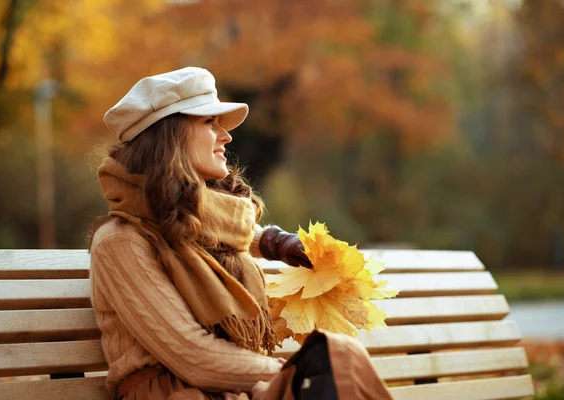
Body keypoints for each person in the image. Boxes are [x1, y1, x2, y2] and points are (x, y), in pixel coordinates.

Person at [88, 67, 394, 400]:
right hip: (176, 394)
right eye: (209, 123)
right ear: (169, 136)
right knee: (335, 364)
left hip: (233, 390)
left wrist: (277, 243)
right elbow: (195, 358)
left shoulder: (188, 224)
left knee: (341, 358)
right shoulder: (121, 242)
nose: (226, 136)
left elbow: (222, 232)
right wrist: (293, 372)